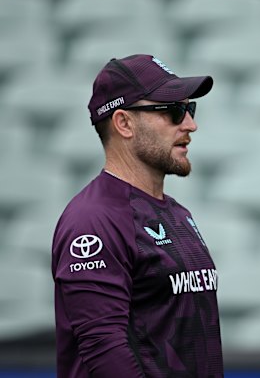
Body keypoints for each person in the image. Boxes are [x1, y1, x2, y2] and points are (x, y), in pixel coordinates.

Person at [51, 54, 223, 377]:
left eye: (190, 109)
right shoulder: (92, 220)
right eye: (173, 111)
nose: (190, 124)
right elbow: (105, 353)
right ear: (124, 124)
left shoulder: (177, 213)